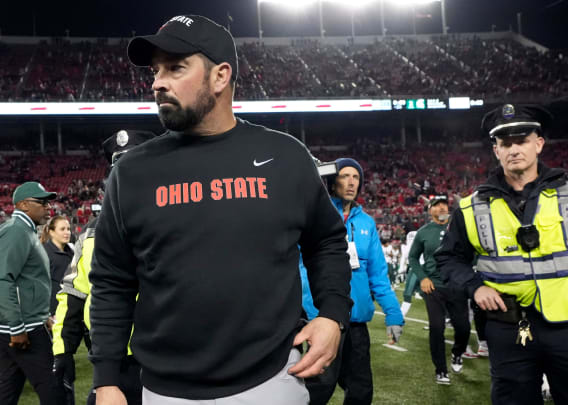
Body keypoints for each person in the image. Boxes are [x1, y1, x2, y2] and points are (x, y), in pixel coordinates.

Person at [89, 15, 353, 405]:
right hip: (165, 391)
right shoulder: (131, 172)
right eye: (156, 70)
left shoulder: (285, 156)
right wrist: (106, 378)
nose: (158, 82)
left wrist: (332, 314)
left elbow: (327, 242)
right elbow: (112, 280)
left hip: (272, 380)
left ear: (220, 76)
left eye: (176, 67)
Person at [435, 104, 568, 404]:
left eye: (521, 140)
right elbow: (447, 258)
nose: (514, 149)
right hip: (508, 327)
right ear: (496, 150)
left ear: (539, 144)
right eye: (505, 143)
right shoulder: (471, 206)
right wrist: (474, 286)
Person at [53, 130, 155, 405]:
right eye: (120, 172)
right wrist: (63, 349)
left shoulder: (175, 222)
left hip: (166, 356)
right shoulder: (91, 233)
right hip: (113, 359)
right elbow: (74, 293)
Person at [301, 158, 404, 405]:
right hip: (323, 319)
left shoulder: (367, 223)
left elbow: (378, 276)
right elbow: (301, 268)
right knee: (318, 388)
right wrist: (312, 311)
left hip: (357, 322)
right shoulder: (314, 215)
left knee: (360, 389)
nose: (351, 182)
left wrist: (393, 314)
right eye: (345, 176)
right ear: (331, 181)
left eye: (356, 177)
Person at [0, 181, 62, 405]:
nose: (48, 207)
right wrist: (17, 328)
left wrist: (42, 314)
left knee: (9, 386)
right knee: (53, 387)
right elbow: (1, 281)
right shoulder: (15, 231)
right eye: (42, 202)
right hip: (22, 327)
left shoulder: (24, 230)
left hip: (24, 321)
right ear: (24, 205)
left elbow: (28, 280)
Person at [410, 196, 471, 385]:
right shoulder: (423, 232)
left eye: (444, 204)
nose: (442, 207)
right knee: (436, 328)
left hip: (456, 285)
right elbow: (413, 258)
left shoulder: (460, 229)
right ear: (430, 211)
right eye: (437, 205)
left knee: (463, 327)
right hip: (433, 286)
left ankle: (457, 353)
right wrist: (423, 277)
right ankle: (441, 370)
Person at [40, 215, 74, 316]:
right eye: (62, 229)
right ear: (51, 232)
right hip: (53, 312)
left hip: (70, 309)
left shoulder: (72, 253)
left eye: (68, 229)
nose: (67, 232)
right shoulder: (43, 253)